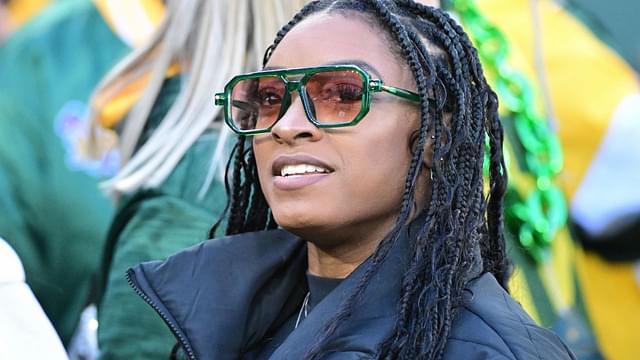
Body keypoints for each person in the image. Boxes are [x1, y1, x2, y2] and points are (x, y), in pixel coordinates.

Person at [127, 0, 576, 358]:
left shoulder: (488, 349)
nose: (286, 125)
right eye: (269, 98)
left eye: (342, 95)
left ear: (436, 136)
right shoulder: (225, 315)